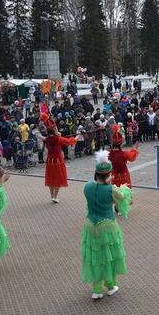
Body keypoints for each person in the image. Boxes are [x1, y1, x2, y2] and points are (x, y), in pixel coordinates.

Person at [81, 150, 133, 300]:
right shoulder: (112, 189)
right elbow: (123, 197)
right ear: (109, 174)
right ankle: (110, 285)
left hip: (91, 224)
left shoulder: (87, 186)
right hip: (108, 224)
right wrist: (119, 186)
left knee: (95, 255)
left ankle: (96, 289)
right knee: (109, 255)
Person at [41, 113, 77, 203]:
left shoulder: (47, 139)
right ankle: (55, 196)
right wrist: (76, 138)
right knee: (58, 177)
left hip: (49, 159)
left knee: (51, 178)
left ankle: (52, 196)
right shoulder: (58, 138)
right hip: (58, 159)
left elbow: (46, 147)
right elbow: (68, 141)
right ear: (54, 129)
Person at [108, 125, 140, 204]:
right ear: (121, 143)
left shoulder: (109, 153)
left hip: (114, 175)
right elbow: (132, 157)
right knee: (124, 190)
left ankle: (117, 205)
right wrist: (134, 149)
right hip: (124, 175)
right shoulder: (123, 153)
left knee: (116, 190)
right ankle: (123, 206)